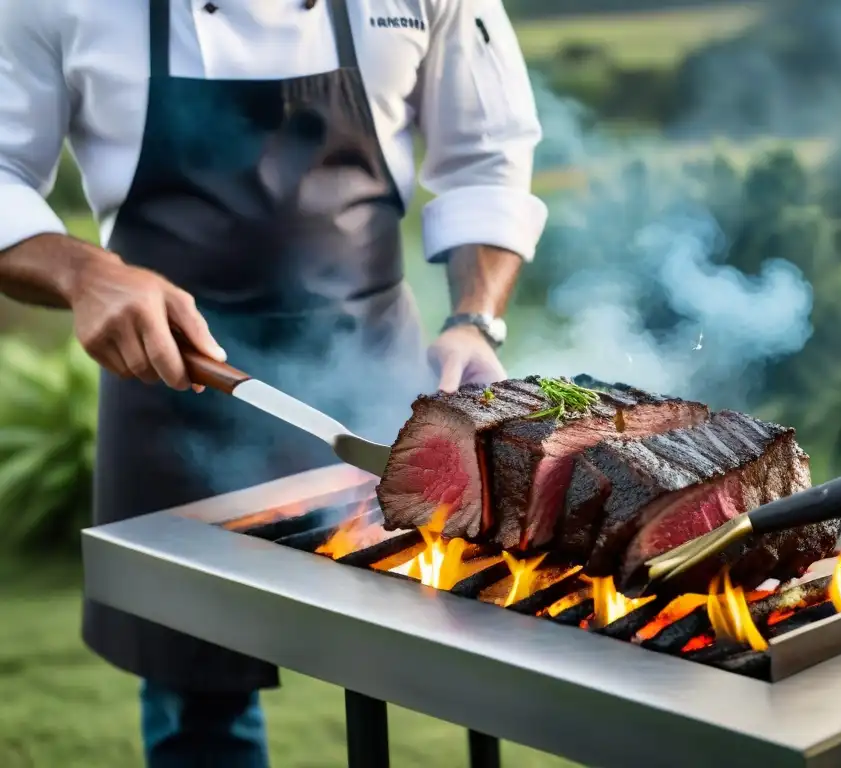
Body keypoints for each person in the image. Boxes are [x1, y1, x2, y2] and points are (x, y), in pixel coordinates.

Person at [0, 0, 546, 764]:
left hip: (375, 383)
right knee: (197, 705)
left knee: (439, 668)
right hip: (172, 381)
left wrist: (474, 321)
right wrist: (84, 272)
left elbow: (486, 157)